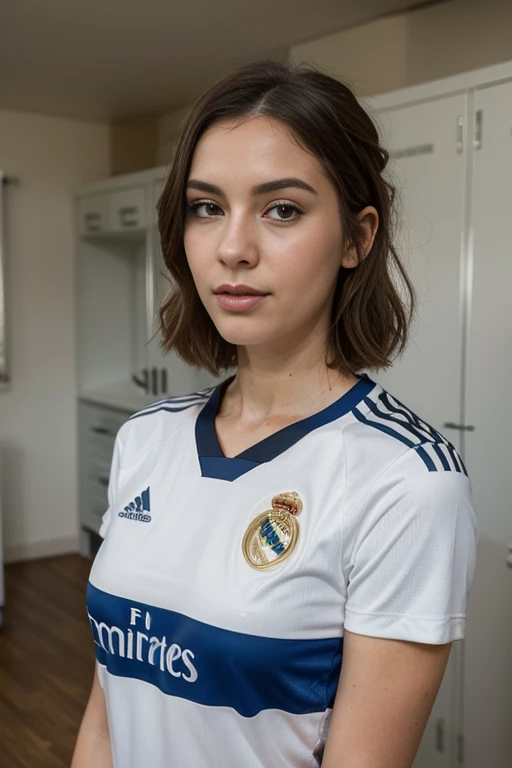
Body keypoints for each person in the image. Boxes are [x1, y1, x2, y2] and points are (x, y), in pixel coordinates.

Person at [71, 58, 479, 768]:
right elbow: (108, 715)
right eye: (207, 207)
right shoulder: (147, 439)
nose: (233, 247)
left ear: (357, 237)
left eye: (281, 208)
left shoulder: (406, 482)